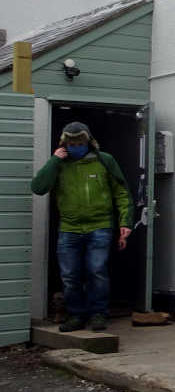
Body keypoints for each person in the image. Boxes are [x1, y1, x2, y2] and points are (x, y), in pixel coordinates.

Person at [30, 121, 133, 331]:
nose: (76, 146)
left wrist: (125, 221)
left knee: (96, 270)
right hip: (69, 227)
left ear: (88, 141)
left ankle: (98, 314)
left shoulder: (105, 161)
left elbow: (121, 192)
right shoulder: (59, 165)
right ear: (64, 144)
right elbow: (39, 187)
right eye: (71, 143)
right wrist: (54, 160)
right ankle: (76, 315)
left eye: (80, 142)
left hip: (100, 225)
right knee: (70, 275)